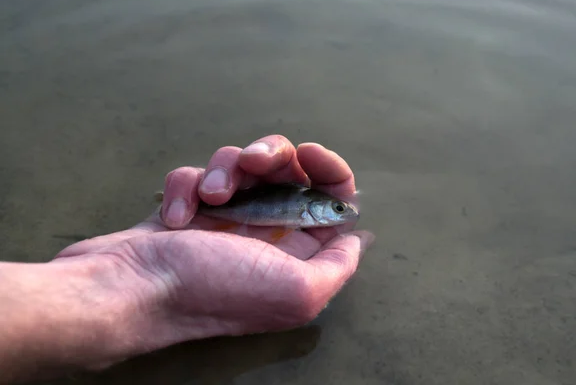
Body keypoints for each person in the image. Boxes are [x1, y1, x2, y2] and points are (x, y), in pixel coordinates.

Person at [0, 135, 374, 384]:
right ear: (315, 207)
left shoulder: (295, 229)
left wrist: (137, 283)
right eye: (338, 209)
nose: (344, 214)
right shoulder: (295, 212)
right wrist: (134, 277)